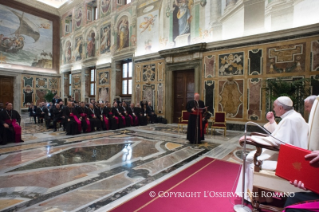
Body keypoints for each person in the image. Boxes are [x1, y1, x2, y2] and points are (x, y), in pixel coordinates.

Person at [235, 96, 309, 200]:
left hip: (288, 159)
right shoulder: (294, 116)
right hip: (291, 155)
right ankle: (262, 196)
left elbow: (277, 141)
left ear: (280, 108)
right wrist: (272, 121)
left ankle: (253, 196)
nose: (273, 109)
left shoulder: (289, 120)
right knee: (252, 156)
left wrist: (252, 139)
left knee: (250, 158)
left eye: (274, 107)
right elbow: (281, 135)